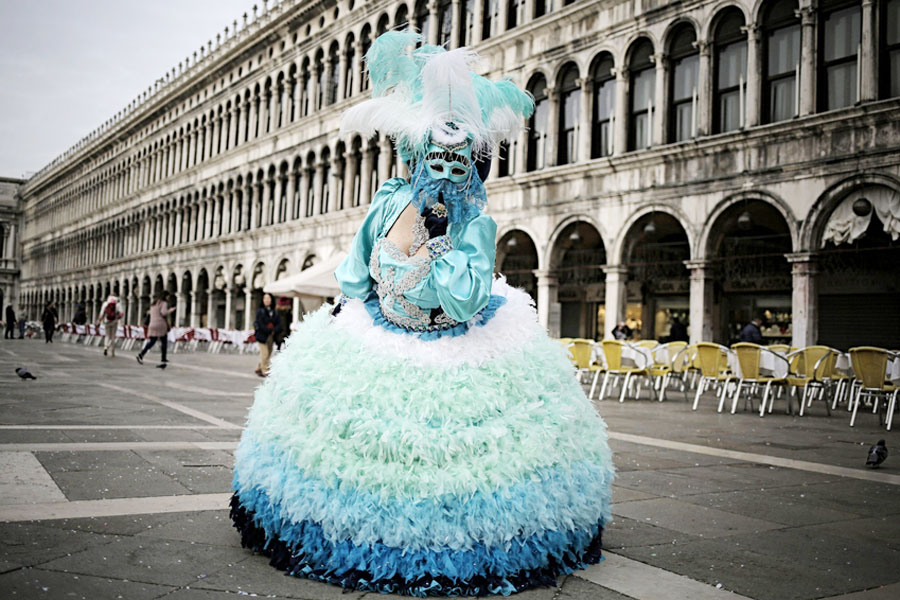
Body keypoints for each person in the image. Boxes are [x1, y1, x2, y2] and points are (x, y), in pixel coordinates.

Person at [230, 33, 615, 597]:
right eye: (429, 156)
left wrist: (439, 244)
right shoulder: (387, 201)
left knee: (461, 466)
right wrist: (351, 313)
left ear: (473, 164)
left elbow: (463, 299)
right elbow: (358, 271)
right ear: (412, 154)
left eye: (456, 160)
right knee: (359, 451)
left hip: (458, 350)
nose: (440, 169)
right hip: (379, 344)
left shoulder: (474, 225)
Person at [137, 291, 174, 367]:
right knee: (164, 342)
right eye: (168, 296)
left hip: (152, 324)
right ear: (165, 296)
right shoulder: (163, 303)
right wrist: (170, 310)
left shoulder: (153, 303)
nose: (168, 298)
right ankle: (163, 359)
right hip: (160, 324)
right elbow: (163, 313)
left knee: (152, 341)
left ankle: (141, 354)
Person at [253, 292, 281, 377]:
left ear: (272, 300)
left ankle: (259, 368)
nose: (266, 300)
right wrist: (269, 329)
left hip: (271, 336)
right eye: (265, 298)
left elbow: (278, 323)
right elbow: (260, 323)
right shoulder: (260, 311)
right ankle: (265, 370)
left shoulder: (275, 312)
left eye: (268, 298)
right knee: (264, 354)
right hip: (262, 335)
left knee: (268, 353)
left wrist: (274, 330)